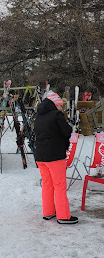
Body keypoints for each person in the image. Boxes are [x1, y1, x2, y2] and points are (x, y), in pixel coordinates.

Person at [34, 91, 78, 224]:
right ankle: (63, 216)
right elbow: (66, 131)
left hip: (40, 156)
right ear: (55, 104)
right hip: (55, 155)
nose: (61, 108)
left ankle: (48, 212)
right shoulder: (56, 115)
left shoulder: (39, 116)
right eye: (60, 105)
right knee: (59, 185)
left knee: (47, 184)